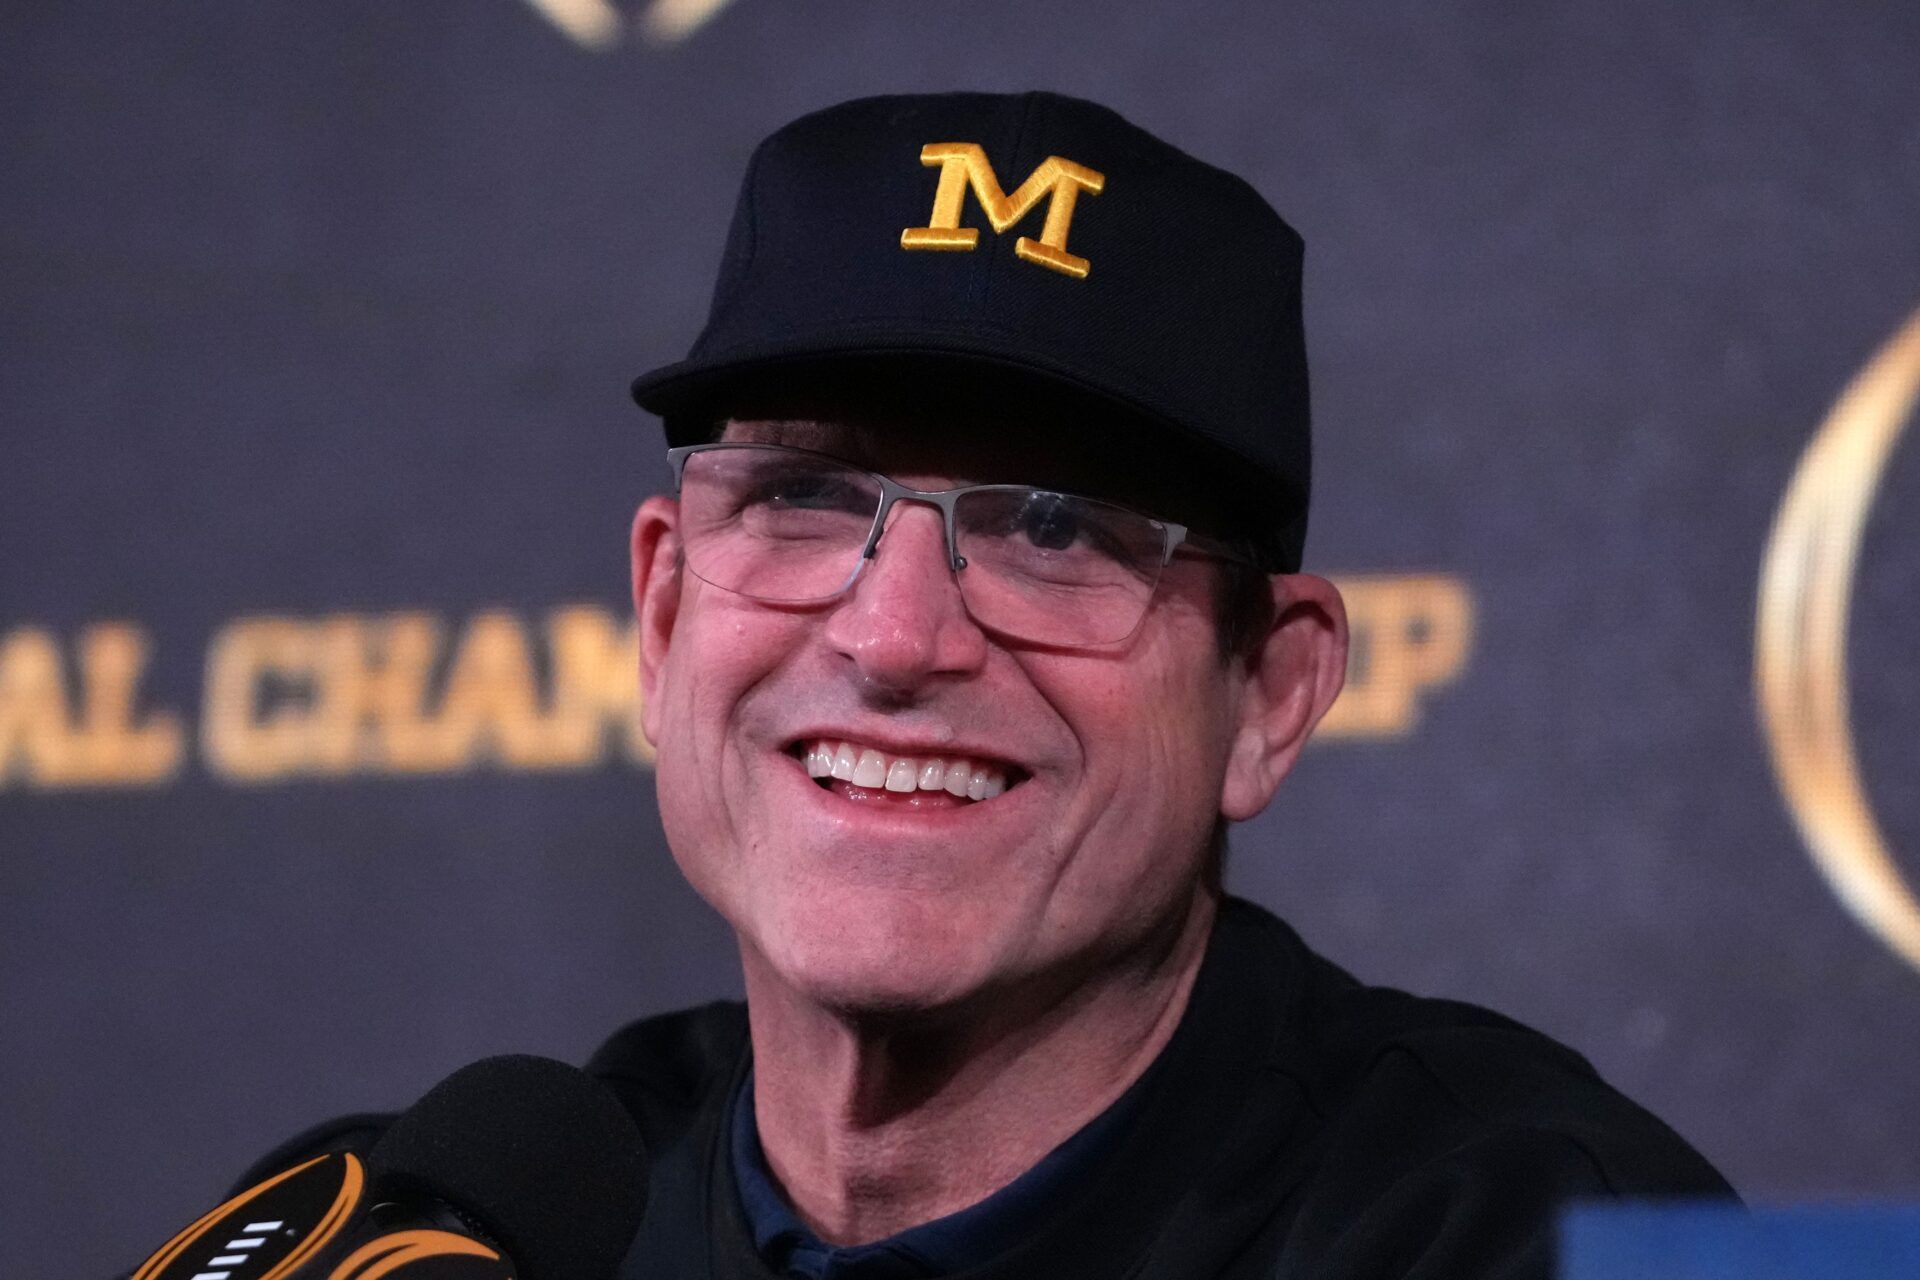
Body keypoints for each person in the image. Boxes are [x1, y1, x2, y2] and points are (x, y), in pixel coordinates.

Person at [235, 91, 1734, 1278]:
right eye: (808, 497)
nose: (894, 641)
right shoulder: (414, 1239)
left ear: (1269, 694)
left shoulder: (1540, 1238)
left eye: (1055, 527)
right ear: (666, 608)